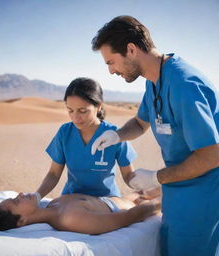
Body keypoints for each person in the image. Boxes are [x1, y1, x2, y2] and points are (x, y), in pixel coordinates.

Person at [91, 15, 219, 256]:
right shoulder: (154, 80)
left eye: (111, 62)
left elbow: (212, 155)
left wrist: (156, 177)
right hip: (177, 194)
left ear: (131, 50)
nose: (110, 71)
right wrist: (117, 136)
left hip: (202, 198)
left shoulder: (184, 85)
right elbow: (140, 123)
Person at [35, 77, 137, 199]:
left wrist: (148, 183)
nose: (75, 117)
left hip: (105, 200)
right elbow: (53, 174)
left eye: (82, 111)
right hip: (72, 199)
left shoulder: (115, 135)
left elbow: (129, 176)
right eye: (70, 110)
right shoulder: (65, 133)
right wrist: (37, 196)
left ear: (98, 106)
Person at [0, 191, 160, 234]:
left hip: (127, 197)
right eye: (15, 201)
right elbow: (127, 217)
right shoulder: (70, 219)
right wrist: (157, 203)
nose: (20, 194)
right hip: (133, 207)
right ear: (21, 221)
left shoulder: (54, 204)